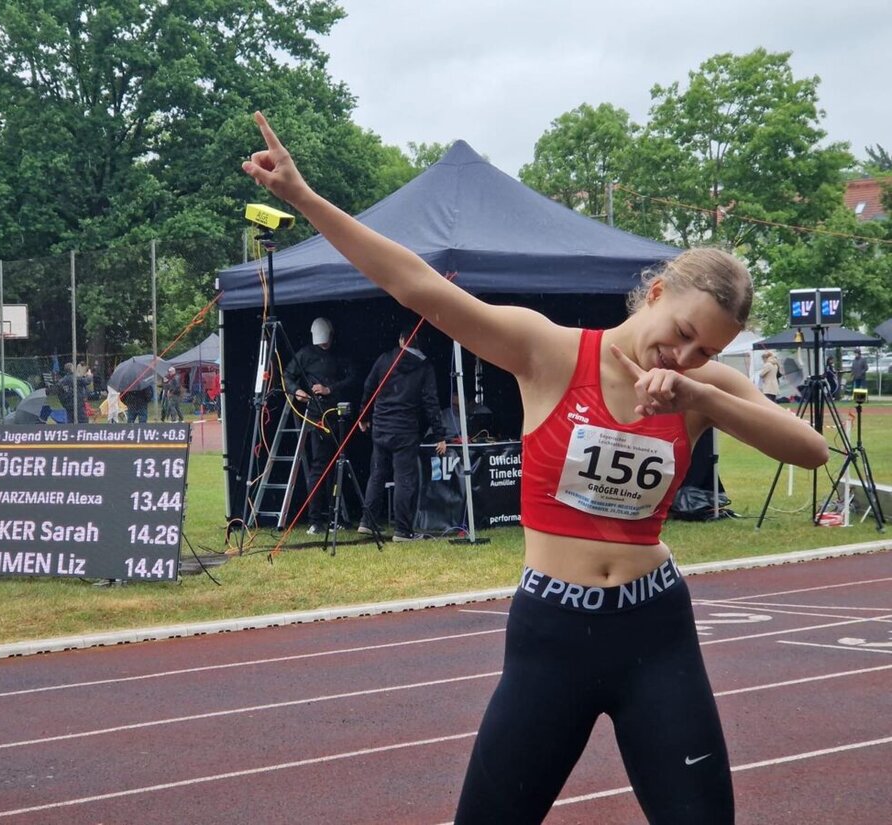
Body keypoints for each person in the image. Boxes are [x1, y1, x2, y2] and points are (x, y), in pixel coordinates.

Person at [243, 111, 829, 824]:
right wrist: (303, 196)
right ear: (654, 294)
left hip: (655, 630)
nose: (683, 357)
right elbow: (418, 286)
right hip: (555, 632)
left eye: (705, 350)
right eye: (681, 334)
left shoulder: (699, 389)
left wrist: (700, 392)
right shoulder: (549, 352)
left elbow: (810, 449)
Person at [357, 329, 447, 541]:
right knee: (404, 480)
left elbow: (369, 387)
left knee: (377, 475)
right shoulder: (424, 367)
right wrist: (439, 434)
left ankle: (367, 522)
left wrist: (363, 415)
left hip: (380, 427)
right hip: (405, 431)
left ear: (401, 340)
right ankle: (402, 530)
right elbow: (431, 403)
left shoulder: (384, 359)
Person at [283, 316, 356, 534]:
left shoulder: (340, 355)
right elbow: (287, 375)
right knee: (319, 467)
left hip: (337, 416)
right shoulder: (305, 354)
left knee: (337, 466)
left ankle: (335, 516)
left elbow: (354, 377)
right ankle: (316, 519)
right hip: (317, 417)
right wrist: (297, 391)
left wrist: (330, 389)